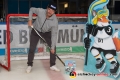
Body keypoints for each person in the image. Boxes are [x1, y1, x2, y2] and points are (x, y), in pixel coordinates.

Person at [26, 2, 60, 73]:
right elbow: (31, 9)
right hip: (36, 31)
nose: (50, 11)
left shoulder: (55, 21)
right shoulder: (41, 11)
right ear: (47, 8)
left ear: (54, 12)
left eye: (52, 11)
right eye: (49, 9)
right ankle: (29, 65)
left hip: (47, 33)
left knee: (53, 47)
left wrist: (52, 47)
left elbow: (54, 34)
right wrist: (30, 19)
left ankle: (52, 65)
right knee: (32, 48)